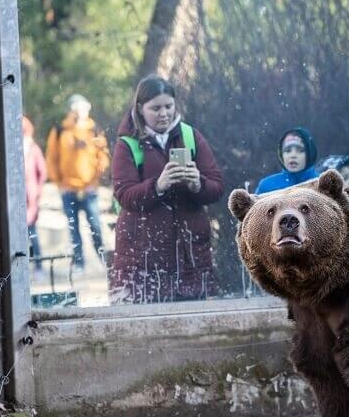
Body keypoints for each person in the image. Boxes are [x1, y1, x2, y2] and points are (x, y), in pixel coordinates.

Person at [110, 75, 224, 304]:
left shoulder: (191, 136)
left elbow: (217, 187)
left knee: (194, 325)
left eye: (168, 106)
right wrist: (157, 186)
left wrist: (197, 184)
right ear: (141, 109)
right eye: (155, 108)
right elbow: (124, 195)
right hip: (142, 256)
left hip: (191, 254)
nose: (164, 114)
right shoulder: (127, 144)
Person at [45, 94, 110, 272]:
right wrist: (59, 183)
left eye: (83, 108)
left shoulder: (94, 129)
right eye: (76, 108)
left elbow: (103, 156)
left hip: (89, 189)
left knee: (95, 225)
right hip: (68, 189)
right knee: (74, 228)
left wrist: (96, 179)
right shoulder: (60, 130)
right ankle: (80, 263)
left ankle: (104, 260)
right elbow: (51, 158)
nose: (80, 112)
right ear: (71, 110)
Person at [254, 127, 319, 195]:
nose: (293, 155)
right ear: (281, 155)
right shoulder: (267, 186)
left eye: (300, 150)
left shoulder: (321, 185)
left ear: (310, 154)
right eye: (287, 150)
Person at [23, 115, 47, 277]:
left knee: (31, 231)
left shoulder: (33, 149)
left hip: (29, 197)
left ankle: (38, 265)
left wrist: (37, 191)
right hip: (17, 198)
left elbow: (42, 172)